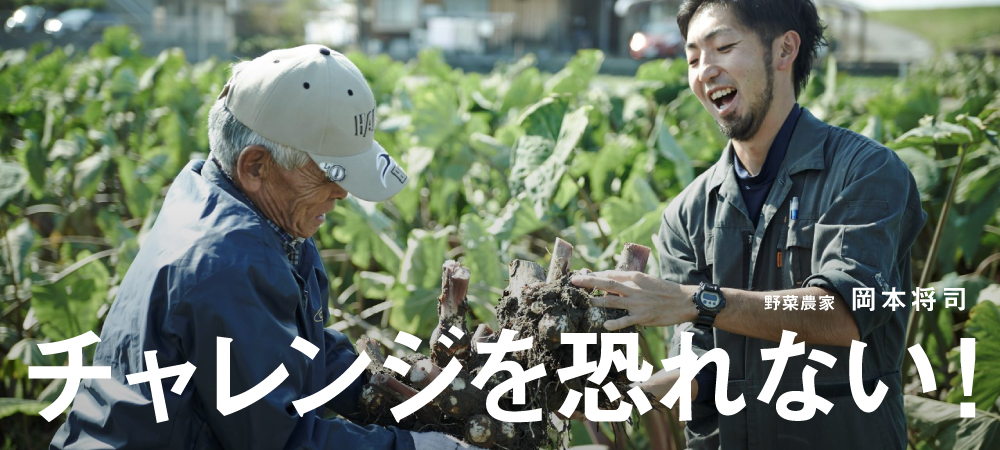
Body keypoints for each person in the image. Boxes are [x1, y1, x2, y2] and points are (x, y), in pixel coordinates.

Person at [50, 45, 477, 450]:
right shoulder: (226, 263)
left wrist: (372, 385)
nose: (342, 194)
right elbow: (277, 440)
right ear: (256, 166)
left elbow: (289, 346)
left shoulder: (233, 202)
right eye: (329, 174)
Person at [571, 1, 926, 449]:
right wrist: (634, 397)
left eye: (722, 47)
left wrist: (695, 300)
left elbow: (841, 312)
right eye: (693, 58)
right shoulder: (687, 213)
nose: (705, 71)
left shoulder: (866, 171)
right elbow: (702, 368)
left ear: (784, 50)